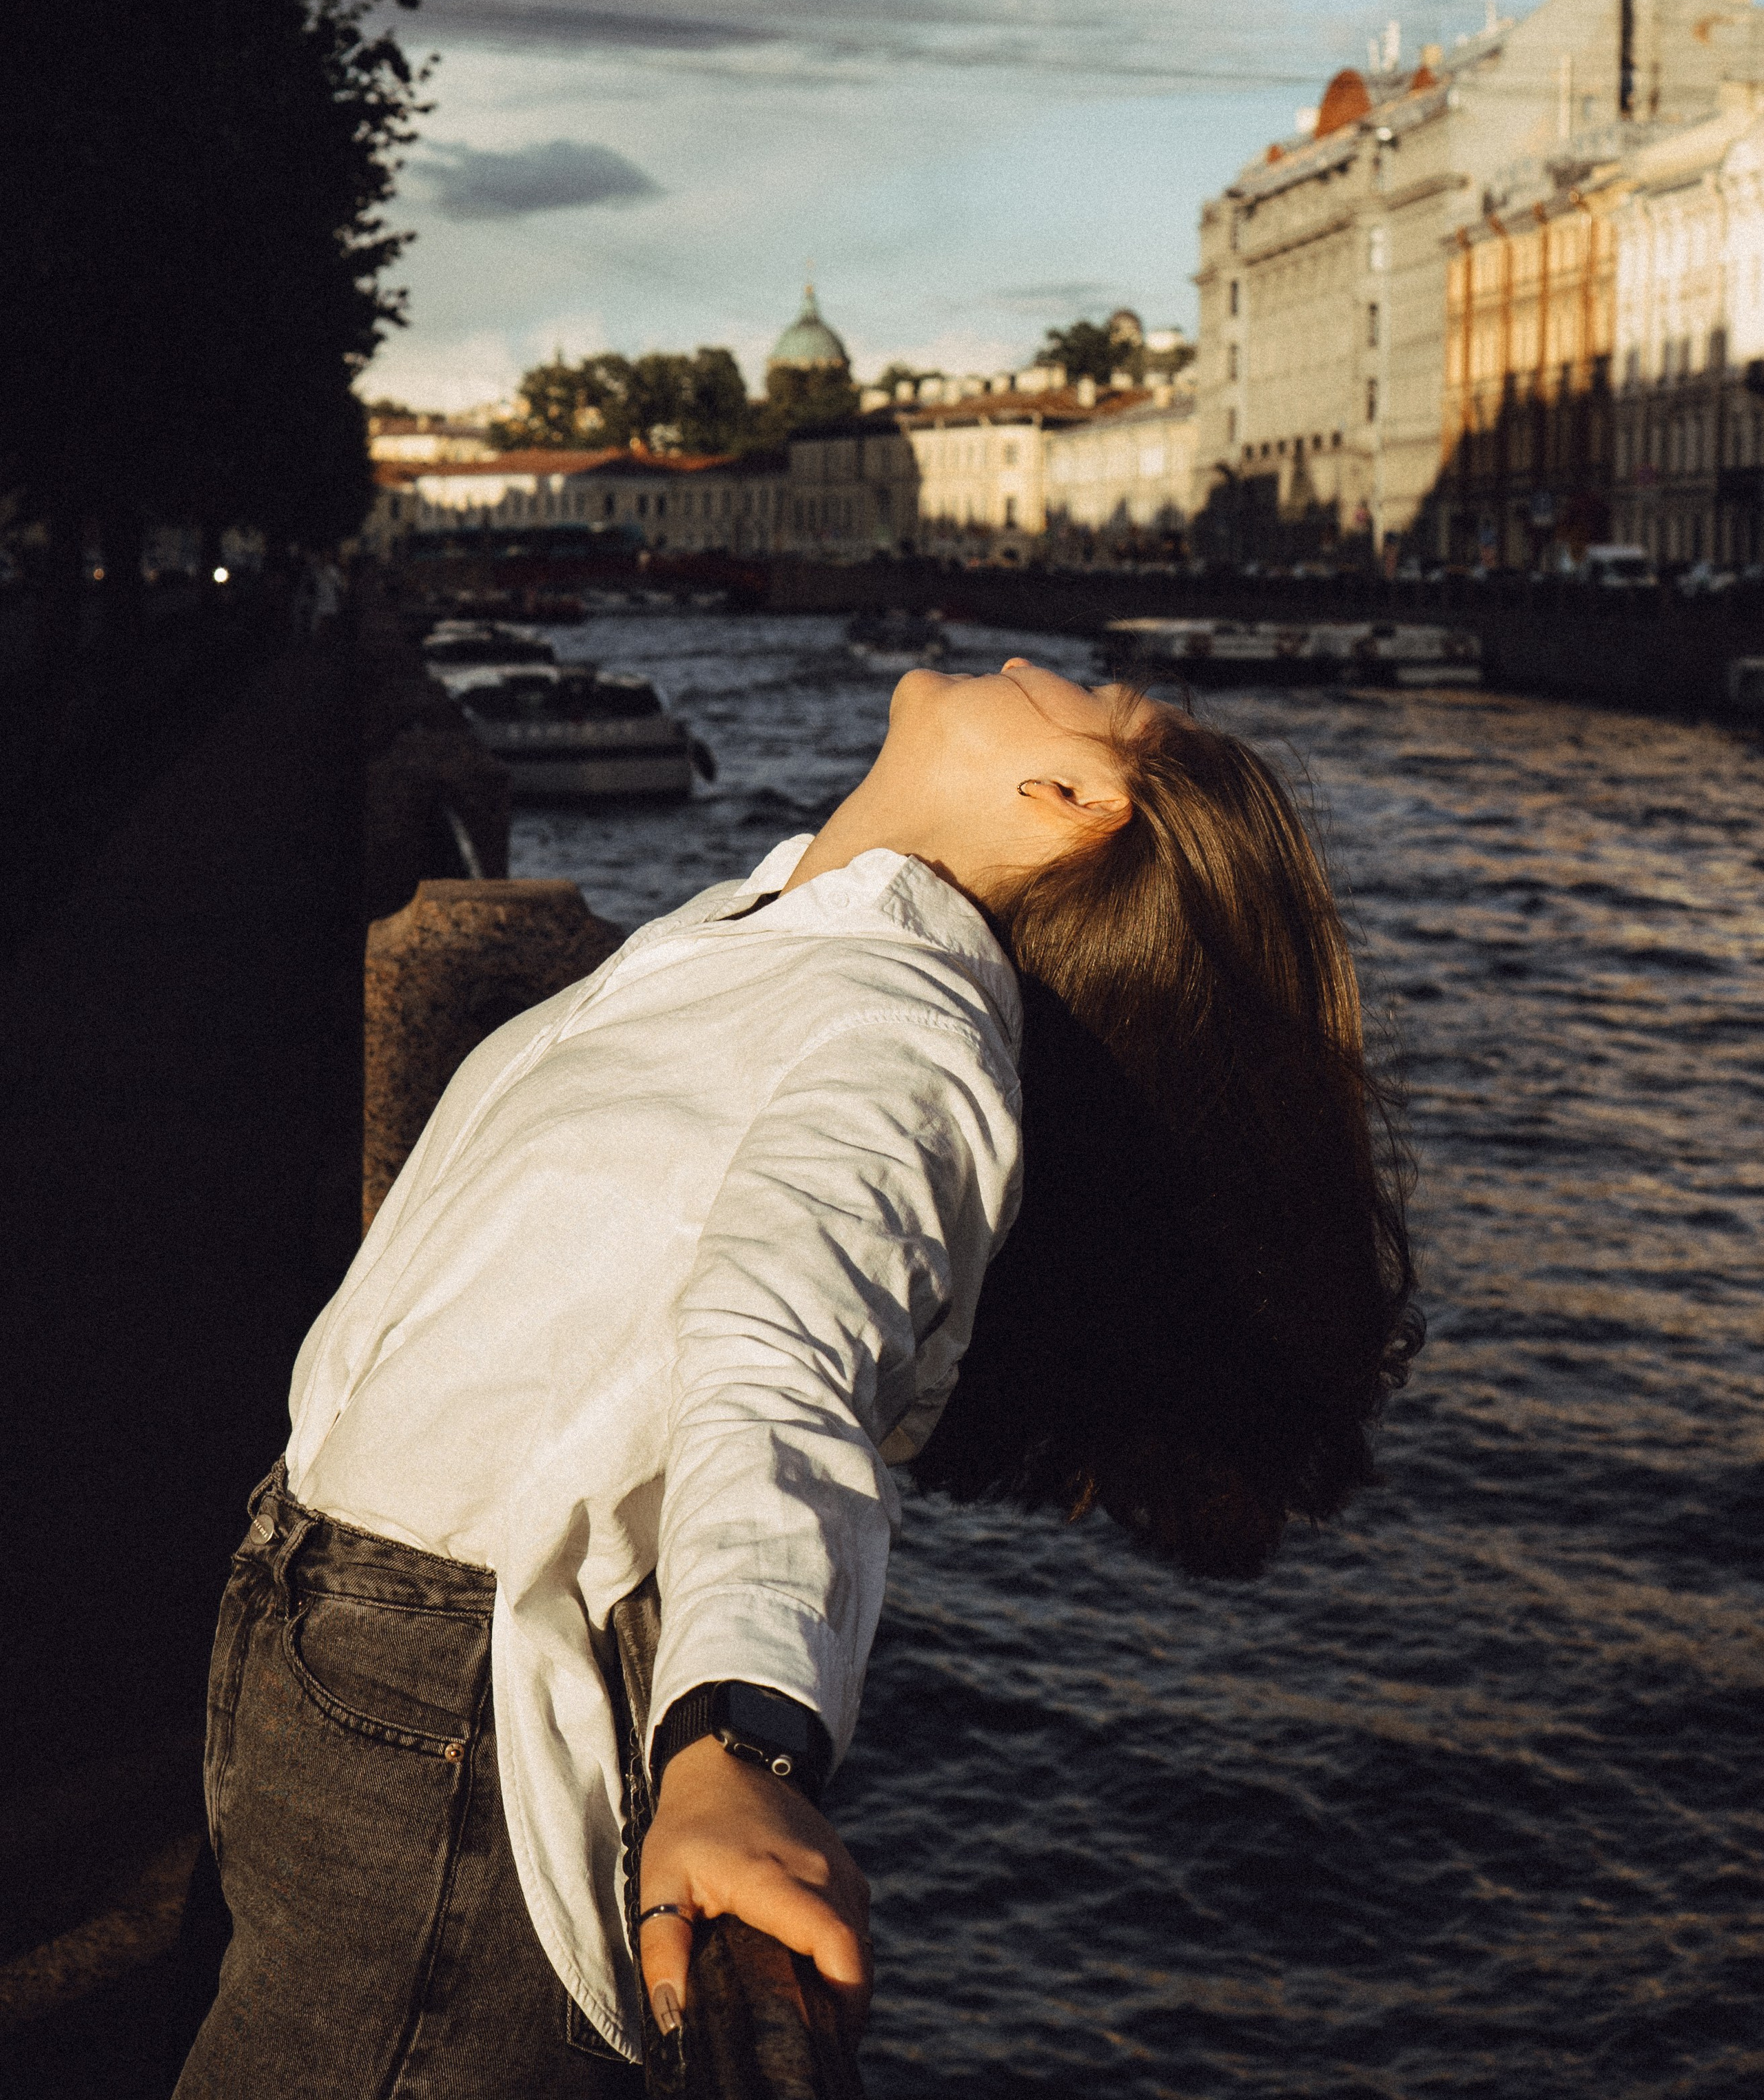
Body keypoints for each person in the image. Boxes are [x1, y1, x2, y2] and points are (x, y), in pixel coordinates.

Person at [174, 659, 1418, 2098]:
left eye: (1109, 704)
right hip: (329, 1617)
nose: (1072, 666)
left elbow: (783, 1362)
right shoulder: (777, 930)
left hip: (444, 1689)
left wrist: (737, 1739)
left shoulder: (905, 1038)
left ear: (1068, 800)